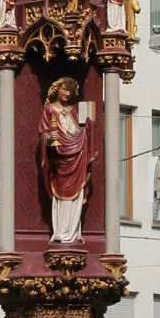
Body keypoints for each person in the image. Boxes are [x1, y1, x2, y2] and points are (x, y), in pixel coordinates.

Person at [38, 77, 96, 245]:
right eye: (64, 90)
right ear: (57, 90)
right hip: (60, 160)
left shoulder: (76, 109)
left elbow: (84, 129)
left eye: (70, 91)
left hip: (78, 156)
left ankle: (73, 231)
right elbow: (43, 133)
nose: (67, 93)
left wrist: (90, 124)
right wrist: (49, 138)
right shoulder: (49, 109)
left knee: (77, 195)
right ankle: (60, 232)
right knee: (62, 195)